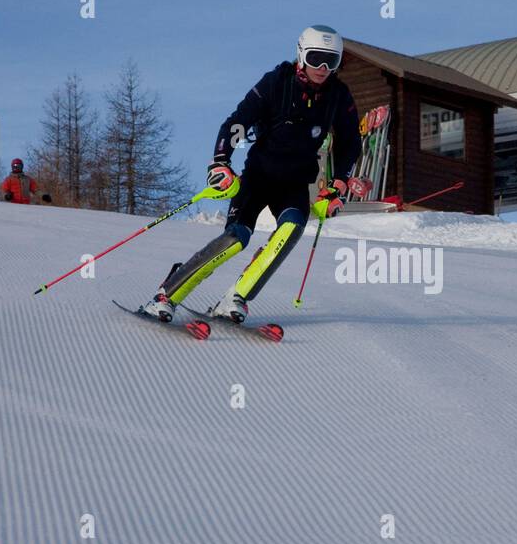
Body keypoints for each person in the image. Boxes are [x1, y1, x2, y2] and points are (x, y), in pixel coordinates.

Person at [143, 25, 361, 323]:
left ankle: (237, 296)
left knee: (291, 230)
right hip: (259, 175)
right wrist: (220, 161)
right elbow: (237, 122)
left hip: (295, 182)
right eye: (315, 58)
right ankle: (166, 296)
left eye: (331, 61)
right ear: (301, 55)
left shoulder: (339, 95)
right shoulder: (276, 82)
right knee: (236, 238)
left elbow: (350, 143)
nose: (322, 68)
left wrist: (337, 186)